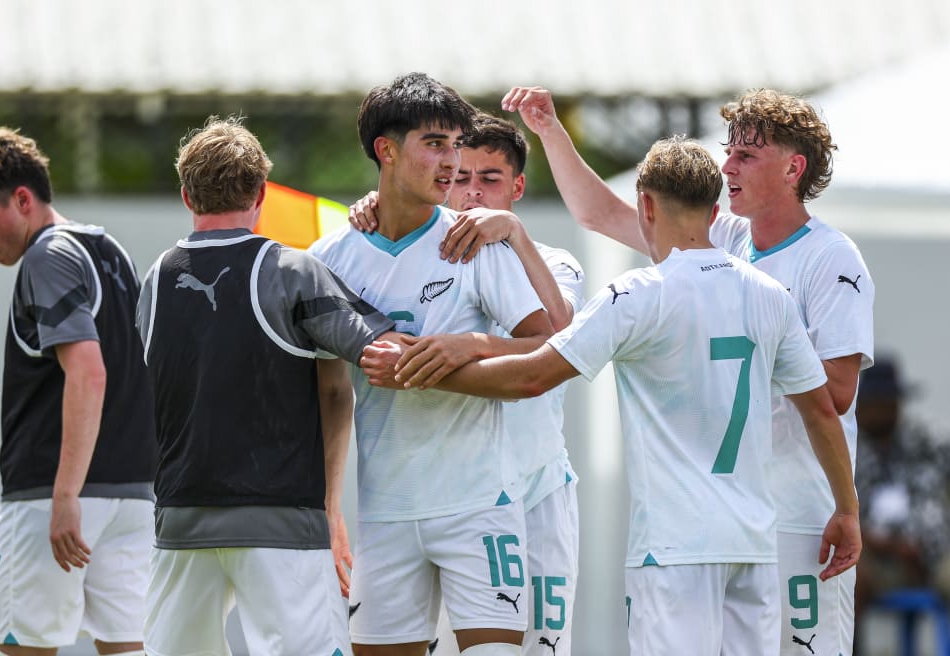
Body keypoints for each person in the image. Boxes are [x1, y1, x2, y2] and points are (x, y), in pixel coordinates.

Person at [365, 136, 862, 654]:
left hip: (673, 550)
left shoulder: (638, 295)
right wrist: (846, 510)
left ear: (645, 204)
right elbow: (823, 412)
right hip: (753, 547)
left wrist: (417, 368)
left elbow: (532, 377)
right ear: (715, 211)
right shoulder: (769, 293)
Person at [501, 85, 875, 654]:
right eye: (728, 152)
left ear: (793, 168)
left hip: (801, 516)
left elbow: (840, 393)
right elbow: (599, 213)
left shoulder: (832, 258)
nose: (727, 167)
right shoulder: (722, 240)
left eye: (746, 156)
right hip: (730, 521)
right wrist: (550, 130)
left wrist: (732, 334)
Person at [308, 73, 555, 656]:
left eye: (455, 144)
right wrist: (328, 508)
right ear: (386, 151)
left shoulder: (475, 242)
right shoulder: (329, 258)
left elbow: (547, 353)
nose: (452, 162)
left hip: (479, 508)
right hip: (384, 514)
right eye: (435, 144)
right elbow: (331, 394)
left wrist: (469, 345)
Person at [134, 116, 397, 656]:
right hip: (281, 526)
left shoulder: (155, 281)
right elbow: (382, 353)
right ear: (261, 193)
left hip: (180, 524)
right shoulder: (293, 270)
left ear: (187, 194)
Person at [349, 113, 585, 655]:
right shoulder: (428, 248)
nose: (473, 192)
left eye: (491, 179)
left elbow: (568, 338)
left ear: (518, 187)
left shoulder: (553, 260)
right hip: (453, 489)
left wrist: (516, 238)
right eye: (462, 177)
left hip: (537, 487)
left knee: (540, 647)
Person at [0, 127, 157, 656]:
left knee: (26, 649)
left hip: (55, 503)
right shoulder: (110, 251)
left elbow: (89, 372)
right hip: (131, 500)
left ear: (23, 200)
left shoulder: (46, 258)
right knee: (128, 648)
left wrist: (64, 497)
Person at [854, 357, 950, 637]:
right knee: (850, 580)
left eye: (889, 402)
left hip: (931, 553)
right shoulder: (848, 450)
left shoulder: (927, 441)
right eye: (874, 403)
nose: (882, 410)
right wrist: (890, 545)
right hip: (870, 556)